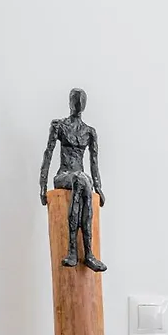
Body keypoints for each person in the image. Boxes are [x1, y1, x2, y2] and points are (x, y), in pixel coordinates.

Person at [39, 88, 107, 271]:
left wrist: (98, 187)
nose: (78, 103)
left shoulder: (89, 132)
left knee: (83, 181)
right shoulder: (59, 126)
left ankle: (86, 253)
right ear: (70, 102)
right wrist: (43, 186)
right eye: (75, 99)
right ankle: (75, 251)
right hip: (64, 176)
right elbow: (48, 155)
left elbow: (94, 162)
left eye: (81, 100)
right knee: (81, 180)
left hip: (80, 179)